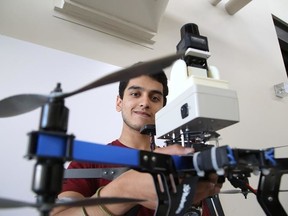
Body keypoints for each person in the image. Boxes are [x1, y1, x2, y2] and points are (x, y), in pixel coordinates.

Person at [51, 71, 222, 216]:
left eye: (155, 98)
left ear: (163, 108)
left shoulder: (179, 162)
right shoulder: (87, 161)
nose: (145, 103)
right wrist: (124, 190)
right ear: (119, 102)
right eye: (135, 94)